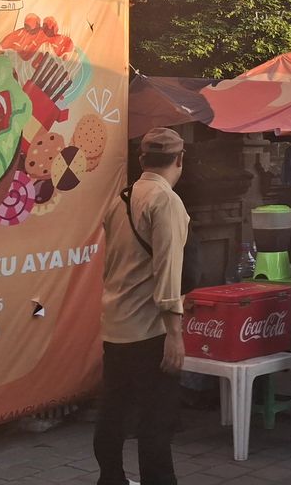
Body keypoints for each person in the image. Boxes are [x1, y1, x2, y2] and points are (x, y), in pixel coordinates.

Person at [95, 128, 191, 485]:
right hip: (150, 330)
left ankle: (111, 478)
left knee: (113, 412)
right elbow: (168, 272)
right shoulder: (165, 200)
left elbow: (110, 265)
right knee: (156, 420)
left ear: (141, 160)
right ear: (180, 160)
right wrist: (175, 334)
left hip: (116, 323)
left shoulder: (121, 198)